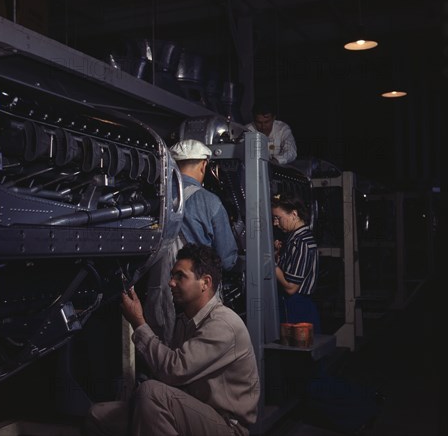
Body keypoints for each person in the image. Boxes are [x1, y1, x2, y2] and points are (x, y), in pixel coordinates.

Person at [85, 243, 260, 436]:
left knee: (151, 393)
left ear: (205, 283)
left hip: (226, 426)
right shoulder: (185, 320)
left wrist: (139, 322)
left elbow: (173, 370)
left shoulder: (223, 324)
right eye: (172, 275)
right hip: (191, 411)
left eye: (180, 276)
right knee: (97, 414)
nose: (171, 283)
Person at [143, 139, 239, 345]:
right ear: (204, 165)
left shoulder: (153, 199)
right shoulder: (210, 201)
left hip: (160, 291)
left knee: (161, 354)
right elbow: (227, 259)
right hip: (199, 297)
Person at [271, 192, 321, 333]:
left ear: (294, 214)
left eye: (277, 218)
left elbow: (291, 288)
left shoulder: (301, 243)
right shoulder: (294, 240)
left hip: (298, 309)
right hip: (293, 306)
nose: (275, 223)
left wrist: (269, 263)